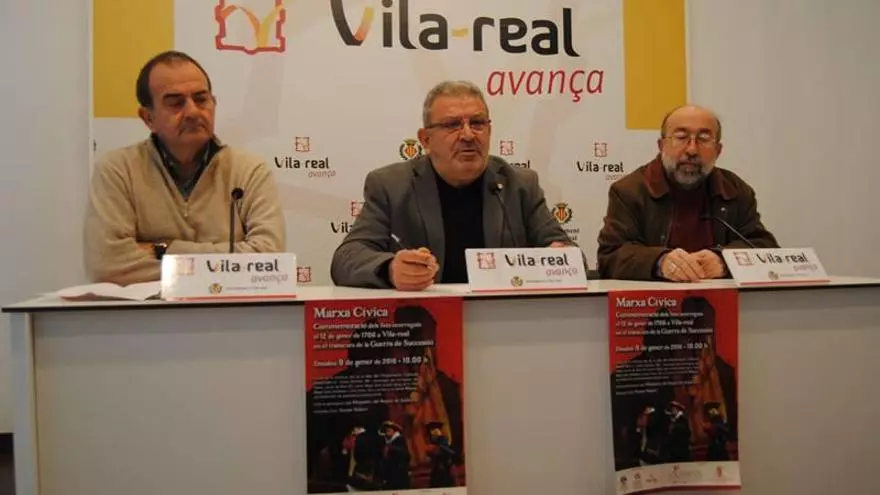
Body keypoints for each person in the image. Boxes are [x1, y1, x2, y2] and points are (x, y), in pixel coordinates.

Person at [331, 80, 573, 290]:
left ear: (489, 130)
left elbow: (570, 255)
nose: (468, 135)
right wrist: (390, 269)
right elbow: (346, 259)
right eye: (452, 125)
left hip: (504, 318)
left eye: (477, 123)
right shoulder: (390, 186)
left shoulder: (520, 185)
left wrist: (559, 260)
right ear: (426, 139)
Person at [84, 50, 285, 285]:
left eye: (201, 99)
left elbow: (269, 260)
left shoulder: (249, 171)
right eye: (175, 103)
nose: (192, 111)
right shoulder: (118, 170)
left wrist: (164, 248)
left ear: (214, 104)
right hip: (149, 309)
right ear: (148, 118)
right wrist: (228, 261)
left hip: (229, 308)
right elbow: (106, 265)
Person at [597, 104, 778, 281]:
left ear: (718, 151)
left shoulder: (735, 190)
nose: (692, 150)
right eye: (681, 137)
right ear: (661, 145)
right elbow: (610, 256)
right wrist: (660, 262)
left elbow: (764, 247)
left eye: (704, 139)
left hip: (722, 297)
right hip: (653, 299)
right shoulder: (630, 191)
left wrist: (724, 259)